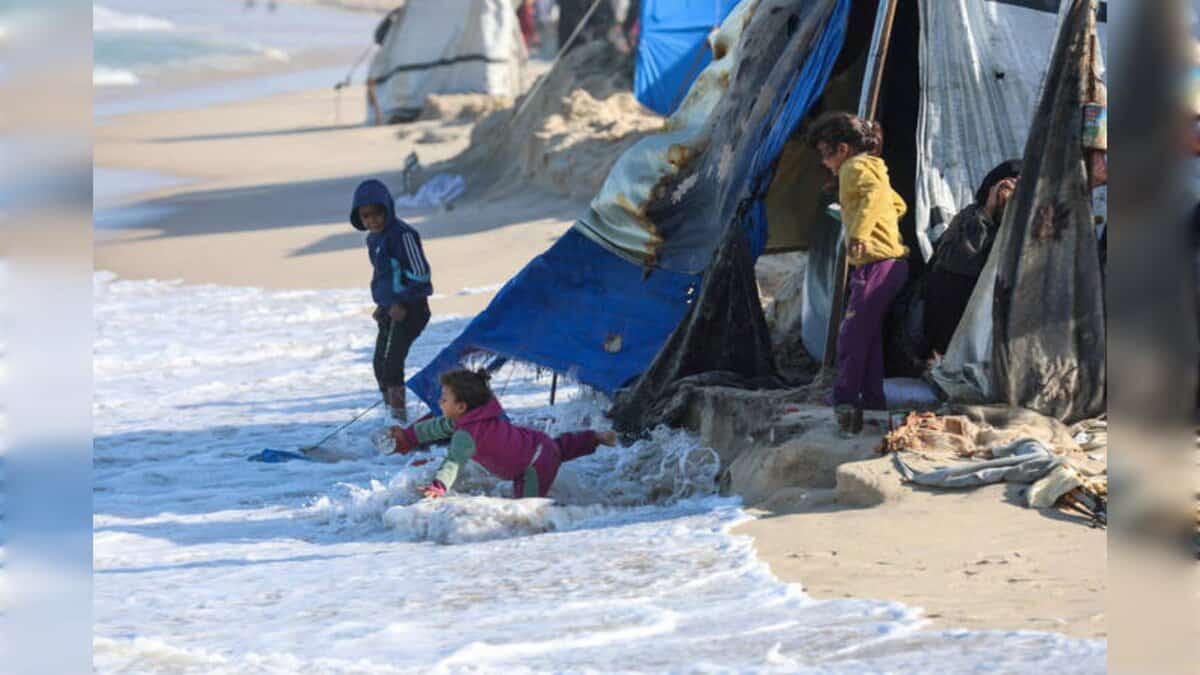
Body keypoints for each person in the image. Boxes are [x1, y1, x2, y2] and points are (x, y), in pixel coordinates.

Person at [807, 112, 909, 435]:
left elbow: (872, 197)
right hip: (890, 266)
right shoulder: (874, 167)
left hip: (876, 265)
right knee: (868, 336)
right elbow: (897, 204)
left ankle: (845, 396)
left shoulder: (853, 169)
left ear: (842, 149)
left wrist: (861, 234)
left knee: (851, 334)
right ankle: (872, 400)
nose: (825, 162)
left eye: (826, 153)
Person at [390, 369, 618, 499]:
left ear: (461, 407)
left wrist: (439, 486)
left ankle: (563, 523)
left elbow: (453, 462)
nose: (439, 402)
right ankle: (595, 438)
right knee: (557, 449)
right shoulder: (474, 416)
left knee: (526, 511)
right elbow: (434, 427)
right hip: (536, 444)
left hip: (532, 467)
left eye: (444, 398)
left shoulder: (465, 435)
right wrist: (407, 437)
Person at [350, 179, 433, 422]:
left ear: (388, 209)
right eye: (366, 217)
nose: (372, 221)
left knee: (392, 365)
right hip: (390, 309)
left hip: (412, 308)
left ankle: (399, 421)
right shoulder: (373, 239)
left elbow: (420, 274)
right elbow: (384, 276)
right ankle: (392, 418)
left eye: (377, 214)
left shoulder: (403, 234)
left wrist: (403, 302)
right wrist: (383, 304)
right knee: (379, 364)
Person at [921, 160, 1022, 360]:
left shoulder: (1021, 227)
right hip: (956, 313)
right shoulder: (971, 217)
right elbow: (960, 261)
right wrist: (988, 211)